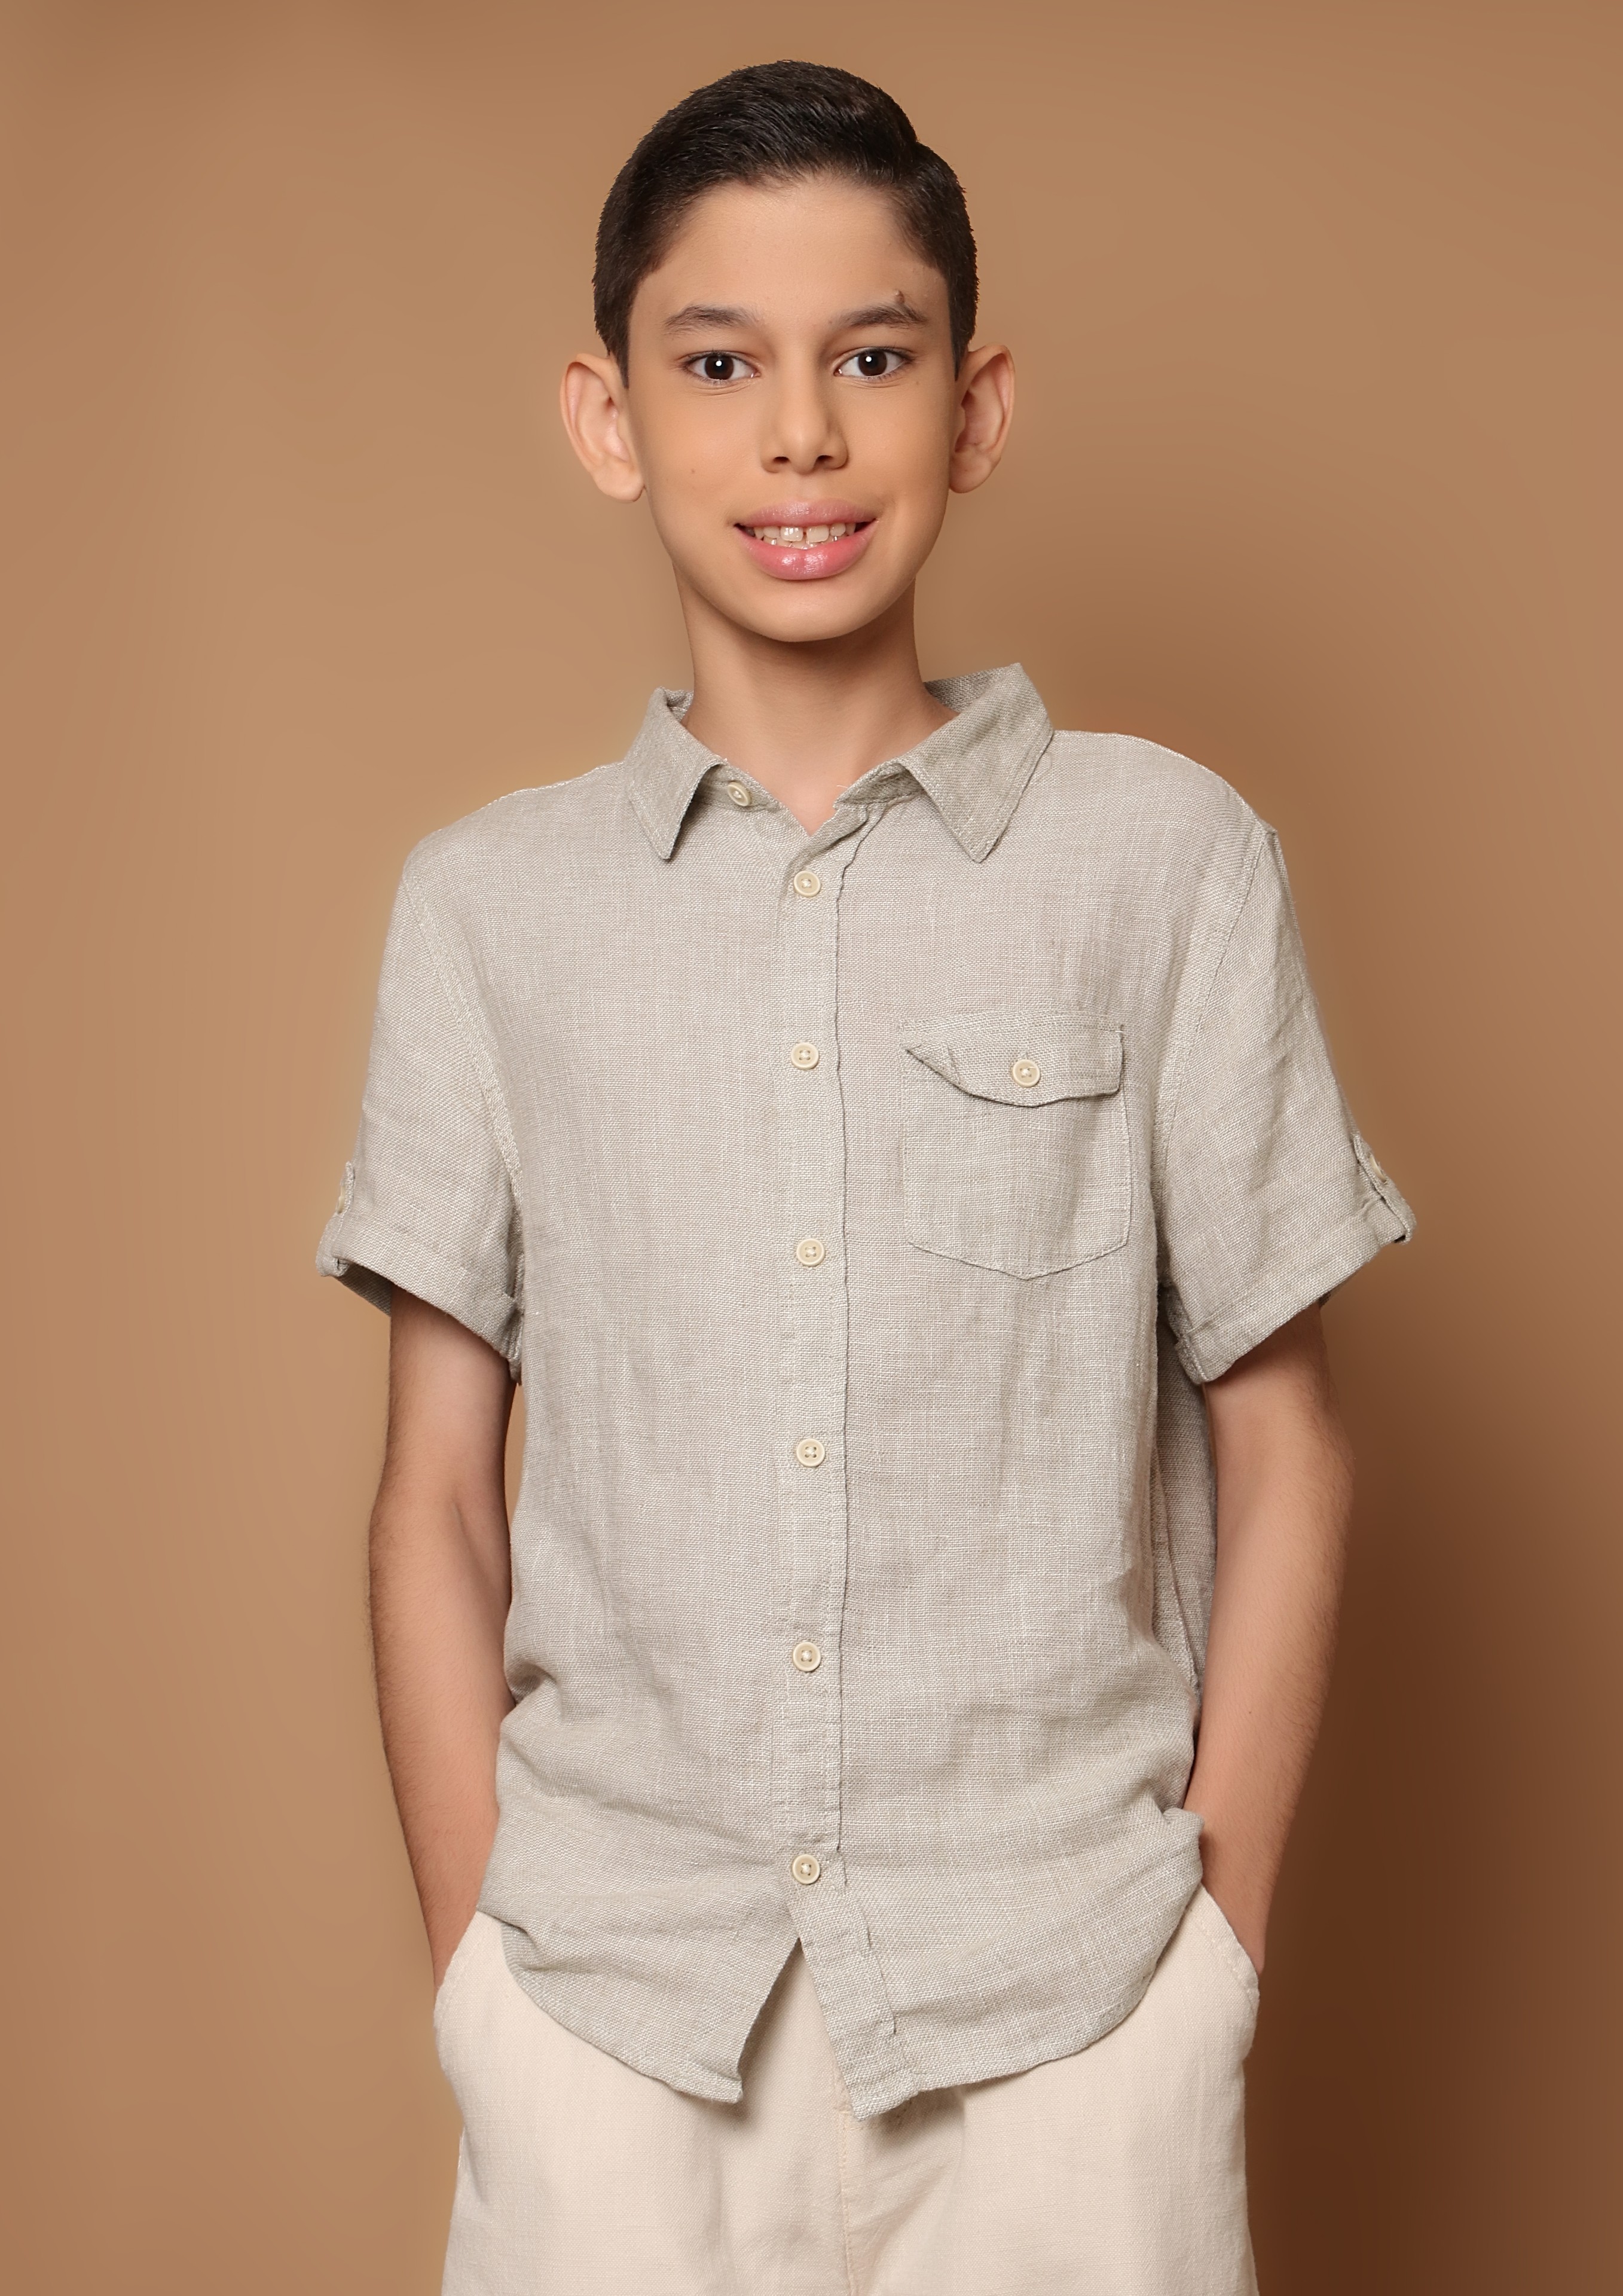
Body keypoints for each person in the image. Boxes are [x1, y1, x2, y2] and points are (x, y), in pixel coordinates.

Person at [317, 57, 1413, 2295]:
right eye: (719, 364)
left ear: (973, 408)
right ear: (610, 417)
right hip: (613, 2017)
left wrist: (1207, 1961)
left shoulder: (1163, 864)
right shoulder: (489, 913)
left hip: (1066, 2018)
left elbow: (1284, 1440)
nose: (799, 436)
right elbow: (434, 1491)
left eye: (874, 360)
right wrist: (478, 1982)